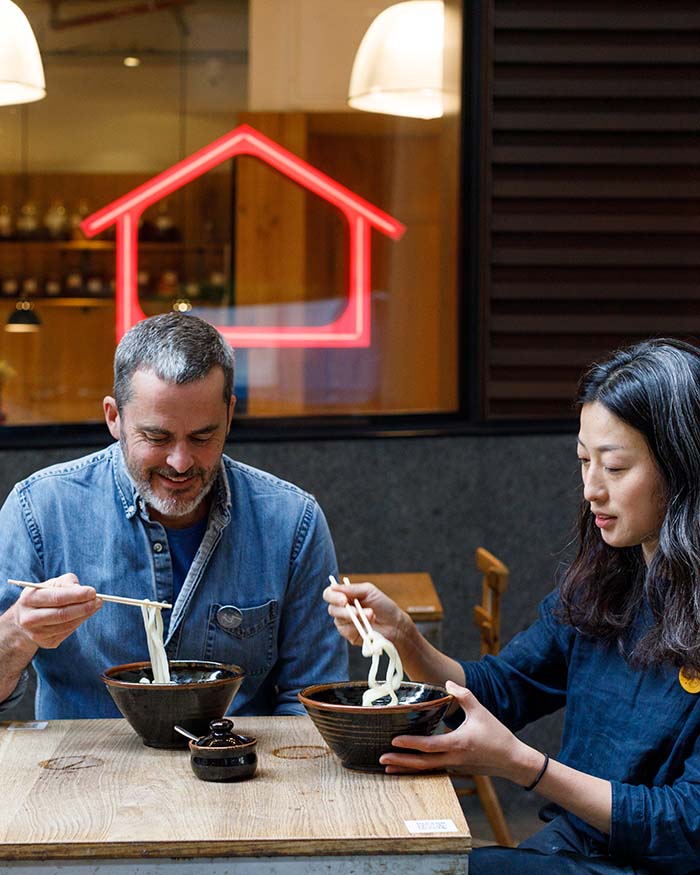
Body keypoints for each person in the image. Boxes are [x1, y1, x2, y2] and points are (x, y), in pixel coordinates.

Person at [324, 338, 700, 875]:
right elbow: (501, 689)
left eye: (614, 468)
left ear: (682, 468)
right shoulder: (605, 586)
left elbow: (686, 825)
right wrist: (405, 636)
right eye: (583, 461)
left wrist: (523, 766)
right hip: (574, 847)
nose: (591, 488)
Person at [0, 312, 347, 719]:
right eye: (156, 437)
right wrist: (18, 634)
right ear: (114, 417)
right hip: (83, 771)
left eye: (202, 437)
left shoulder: (292, 522)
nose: (180, 463)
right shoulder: (40, 509)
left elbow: (311, 702)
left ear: (230, 415)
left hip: (239, 772)